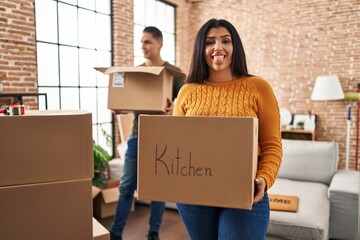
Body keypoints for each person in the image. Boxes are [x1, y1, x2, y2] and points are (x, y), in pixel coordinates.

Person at [172, 19, 282, 240]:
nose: (218, 47)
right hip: (194, 195)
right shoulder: (187, 91)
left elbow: (272, 145)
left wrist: (264, 178)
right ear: (201, 49)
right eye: (210, 42)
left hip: (246, 193)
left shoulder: (259, 88)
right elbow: (178, 147)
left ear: (235, 47)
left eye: (226, 41)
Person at [110, 26, 184, 240]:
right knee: (126, 187)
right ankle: (116, 232)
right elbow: (128, 102)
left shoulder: (174, 73)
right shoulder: (137, 72)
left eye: (147, 42)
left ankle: (153, 232)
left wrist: (175, 109)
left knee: (158, 189)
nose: (143, 46)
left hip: (163, 139)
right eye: (141, 42)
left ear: (160, 43)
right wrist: (119, 107)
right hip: (137, 136)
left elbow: (188, 103)